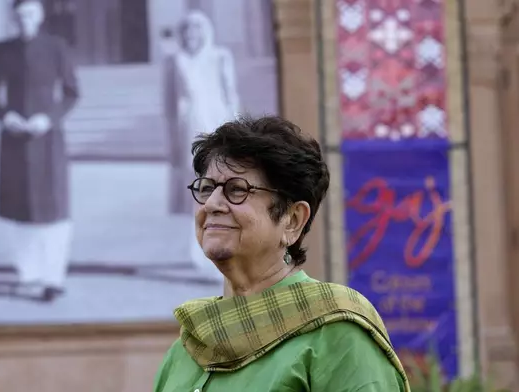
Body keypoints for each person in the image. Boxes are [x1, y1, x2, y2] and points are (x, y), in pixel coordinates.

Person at [153, 116, 410, 391]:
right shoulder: (189, 347)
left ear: (292, 220)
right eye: (206, 188)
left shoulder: (336, 335)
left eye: (236, 190)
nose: (213, 204)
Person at [0, 0, 79, 302]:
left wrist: (48, 118)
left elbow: (71, 92)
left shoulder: (56, 47)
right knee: (19, 207)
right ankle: (28, 273)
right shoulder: (2, 50)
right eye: (20, 14)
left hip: (47, 138)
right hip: (13, 139)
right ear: (14, 17)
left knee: (54, 208)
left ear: (39, 16)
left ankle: (54, 276)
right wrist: (4, 116)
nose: (25, 19)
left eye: (31, 13)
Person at [162, 10, 240, 283]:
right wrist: (172, 140)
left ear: (205, 32)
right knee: (198, 192)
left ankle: (225, 247)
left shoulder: (220, 57)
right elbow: (169, 106)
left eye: (197, 31)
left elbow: (231, 96)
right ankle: (200, 251)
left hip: (219, 127)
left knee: (224, 191)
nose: (192, 36)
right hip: (189, 132)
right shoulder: (174, 62)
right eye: (187, 32)